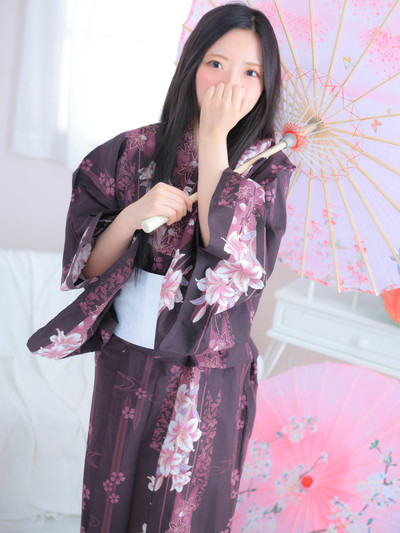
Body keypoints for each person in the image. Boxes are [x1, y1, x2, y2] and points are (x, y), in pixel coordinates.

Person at [27, 4, 295, 532]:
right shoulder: (133, 151)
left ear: (266, 85)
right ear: (191, 64)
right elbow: (89, 267)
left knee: (182, 513)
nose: (230, 84)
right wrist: (133, 214)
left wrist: (214, 139)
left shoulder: (269, 168)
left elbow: (231, 261)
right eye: (216, 64)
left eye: (250, 72)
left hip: (208, 371)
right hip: (130, 358)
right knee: (111, 500)